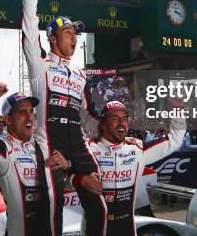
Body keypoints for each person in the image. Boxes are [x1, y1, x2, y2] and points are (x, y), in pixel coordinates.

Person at [22, 0, 106, 236]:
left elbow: (91, 116)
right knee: (53, 207)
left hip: (78, 145)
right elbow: (29, 25)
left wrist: (117, 135)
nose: (74, 38)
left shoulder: (80, 74)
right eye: (68, 33)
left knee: (100, 207)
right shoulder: (41, 66)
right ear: (53, 39)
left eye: (75, 33)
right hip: (50, 143)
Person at [0, 80, 69, 236]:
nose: (29, 117)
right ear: (8, 120)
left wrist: (67, 165)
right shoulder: (4, 148)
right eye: (22, 112)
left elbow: (65, 176)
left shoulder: (41, 145)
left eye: (30, 111)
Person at [75, 101, 185, 235]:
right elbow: (61, 176)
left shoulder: (137, 148)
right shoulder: (87, 148)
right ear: (102, 124)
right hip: (95, 229)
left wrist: (178, 109)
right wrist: (79, 180)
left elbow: (174, 141)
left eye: (125, 119)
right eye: (115, 118)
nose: (122, 123)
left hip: (127, 228)